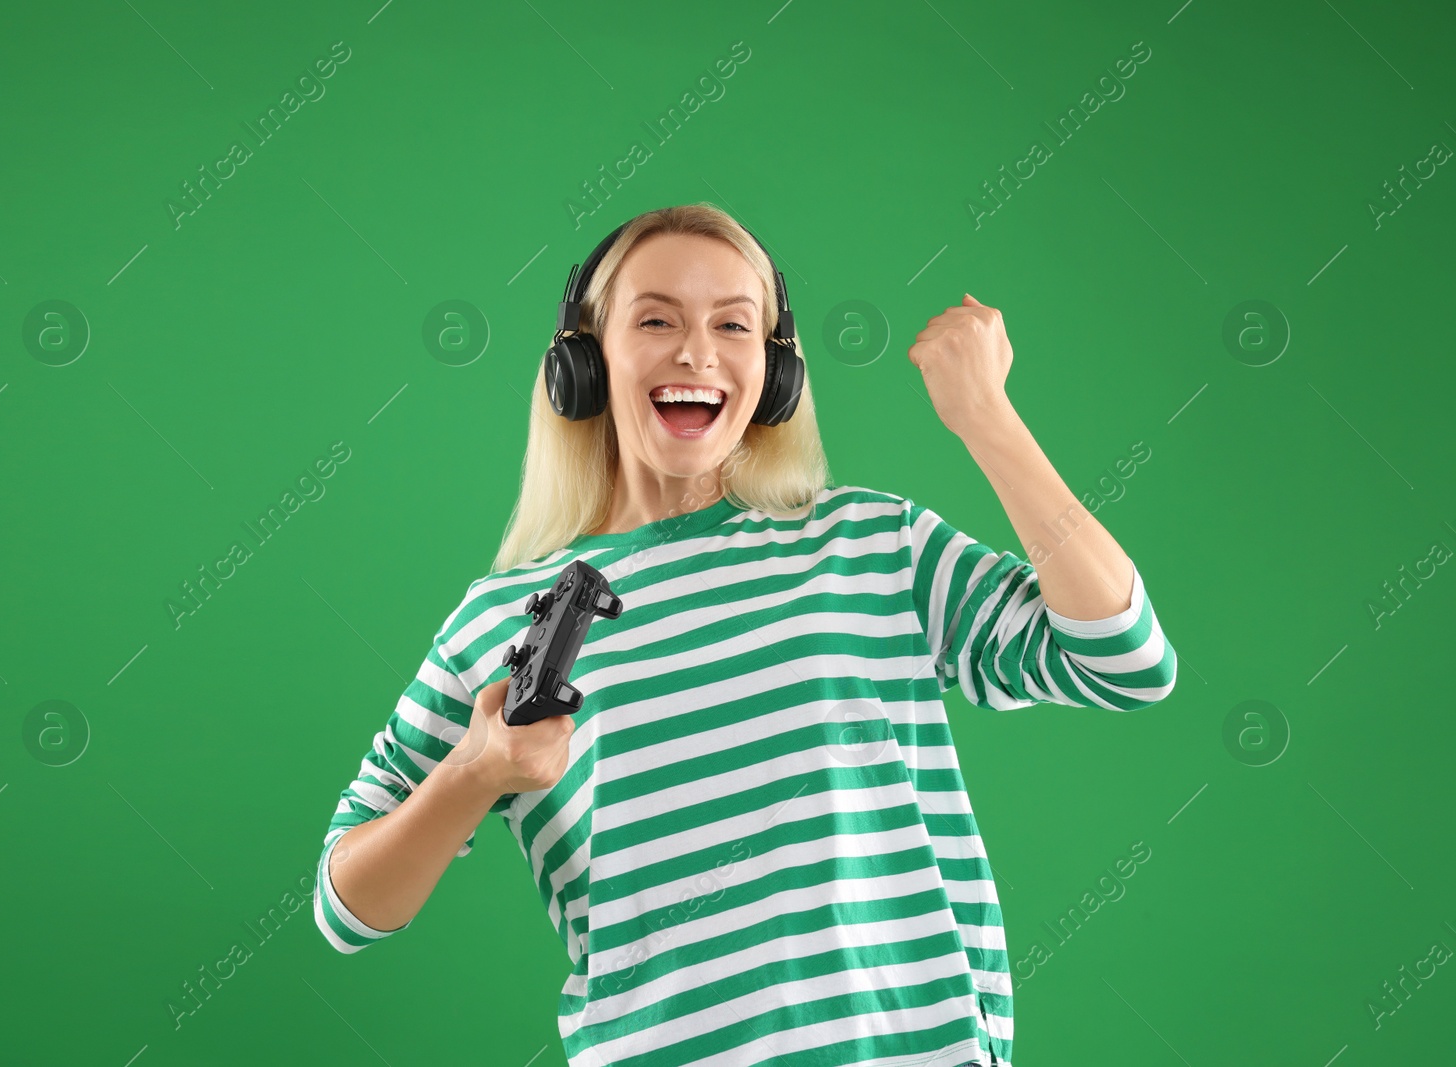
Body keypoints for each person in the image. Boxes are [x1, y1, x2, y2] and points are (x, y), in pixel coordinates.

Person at [313, 203, 1177, 1067]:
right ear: (582, 363)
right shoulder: (504, 623)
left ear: (775, 373)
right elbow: (344, 906)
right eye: (656, 320)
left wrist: (986, 416)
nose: (697, 352)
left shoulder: (871, 545)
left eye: (734, 324)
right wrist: (476, 772)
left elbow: (1127, 658)